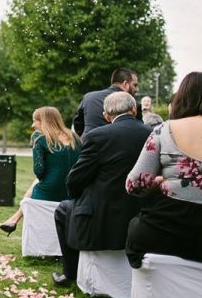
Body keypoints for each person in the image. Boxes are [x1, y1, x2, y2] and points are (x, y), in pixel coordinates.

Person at [126, 71, 202, 268]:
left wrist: (159, 183)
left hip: (169, 231)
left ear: (182, 97)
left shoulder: (165, 129)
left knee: (134, 230)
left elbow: (133, 184)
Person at [52, 92, 150, 286]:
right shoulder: (152, 133)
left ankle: (69, 273)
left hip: (105, 216)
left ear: (106, 115)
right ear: (134, 110)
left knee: (63, 209)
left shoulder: (98, 135)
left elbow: (75, 179)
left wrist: (77, 196)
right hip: (142, 211)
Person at [0, 106, 81, 235]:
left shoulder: (40, 139)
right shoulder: (75, 138)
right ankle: (13, 220)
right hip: (73, 191)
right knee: (37, 182)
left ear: (43, 121)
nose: (32, 125)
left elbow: (39, 171)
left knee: (36, 184)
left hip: (51, 193)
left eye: (35, 121)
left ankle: (14, 219)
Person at [73, 68, 140, 137]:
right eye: (135, 85)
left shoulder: (88, 97)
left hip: (89, 145)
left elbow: (78, 125)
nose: (136, 89)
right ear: (125, 84)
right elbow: (138, 130)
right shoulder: (132, 105)